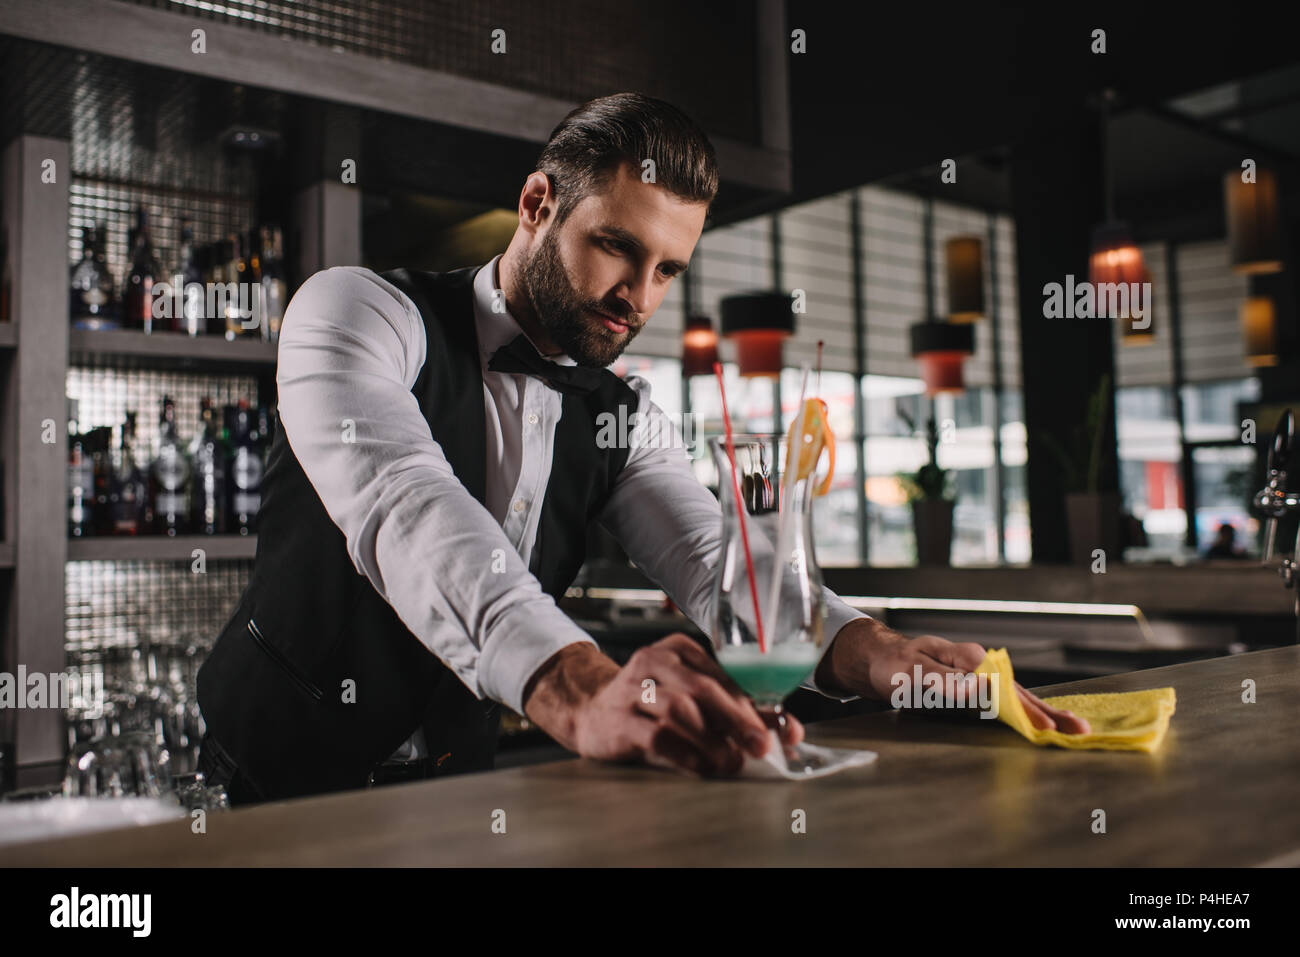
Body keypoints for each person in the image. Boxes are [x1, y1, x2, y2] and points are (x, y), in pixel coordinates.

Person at [195, 92, 1088, 805]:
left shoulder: (625, 410)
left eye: (667, 269)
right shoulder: (356, 311)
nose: (639, 296)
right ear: (539, 204)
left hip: (450, 797)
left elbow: (713, 557)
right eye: (617, 247)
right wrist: (579, 682)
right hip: (271, 784)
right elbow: (406, 501)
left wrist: (869, 647)